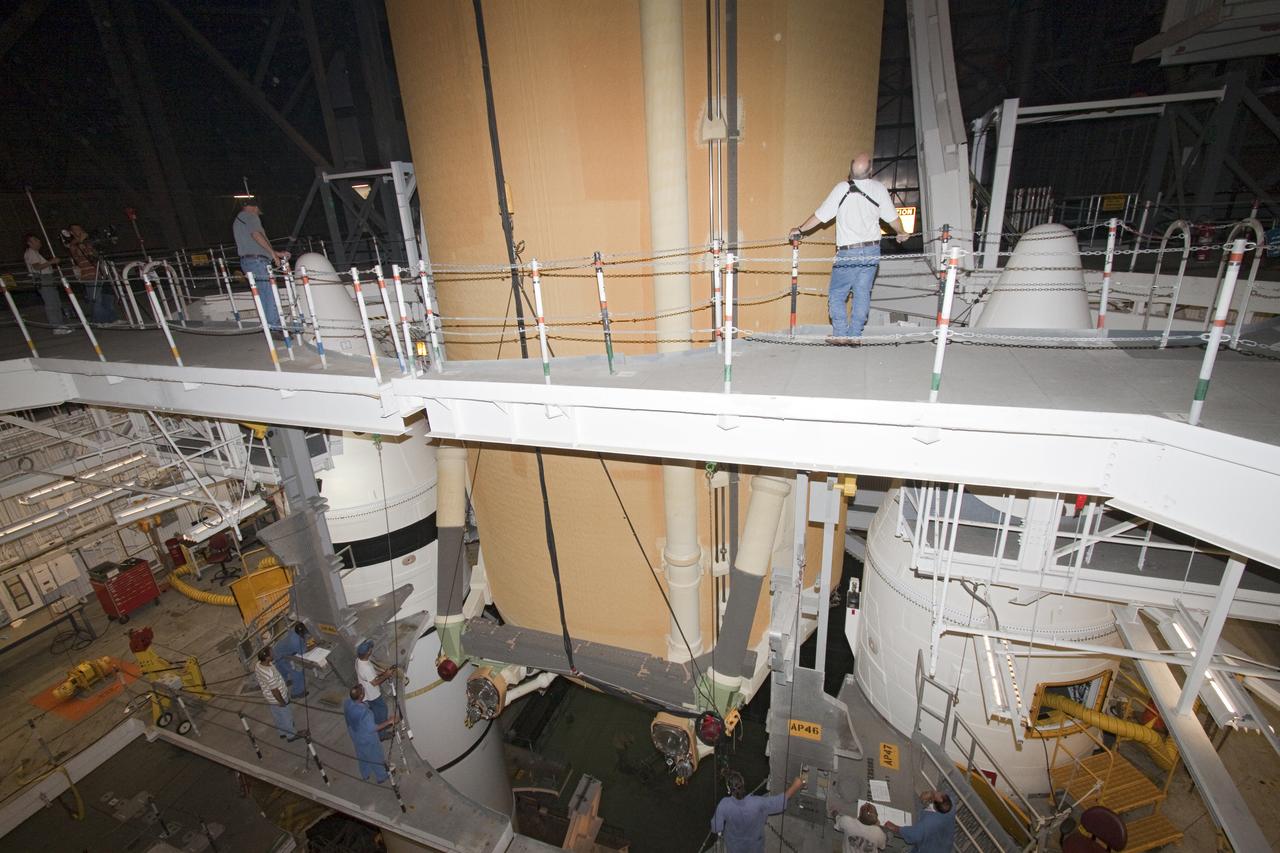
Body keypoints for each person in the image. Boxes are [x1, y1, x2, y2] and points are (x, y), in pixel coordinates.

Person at [789, 153, 912, 340]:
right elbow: (893, 218)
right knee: (862, 293)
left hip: (848, 251)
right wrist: (901, 232)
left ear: (850, 171)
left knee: (838, 293)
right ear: (871, 171)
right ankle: (855, 335)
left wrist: (799, 229)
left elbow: (820, 216)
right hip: (871, 251)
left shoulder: (842, 189)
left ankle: (840, 334)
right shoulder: (879, 189)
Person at [711, 770, 806, 853]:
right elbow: (779, 802)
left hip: (734, 847)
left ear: (729, 789)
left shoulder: (724, 804)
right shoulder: (757, 802)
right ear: (743, 783)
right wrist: (795, 786)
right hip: (755, 845)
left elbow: (716, 828)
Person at [232, 199, 288, 330]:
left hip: (247, 262)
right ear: (255, 207)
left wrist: (277, 253)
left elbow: (254, 245)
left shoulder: (238, 221)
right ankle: (275, 326)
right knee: (269, 293)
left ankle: (268, 325)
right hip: (258, 262)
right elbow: (256, 235)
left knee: (261, 295)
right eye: (258, 211)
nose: (258, 214)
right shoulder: (251, 216)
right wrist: (273, 255)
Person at [344, 684, 397, 783]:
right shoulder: (365, 714)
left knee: (362, 754)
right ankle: (382, 776)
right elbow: (373, 728)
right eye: (363, 691)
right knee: (375, 755)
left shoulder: (347, 702)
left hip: (354, 733)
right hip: (366, 737)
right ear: (361, 696)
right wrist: (389, 721)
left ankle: (365, 773)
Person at [23, 234, 71, 334]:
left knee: (55, 301)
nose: (38, 241)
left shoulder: (35, 253)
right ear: (29, 243)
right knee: (51, 302)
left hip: (47, 277)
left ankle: (60, 324)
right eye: (35, 240)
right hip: (42, 278)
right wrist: (51, 262)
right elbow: (37, 267)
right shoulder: (31, 253)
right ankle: (56, 326)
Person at [254, 647, 305, 742]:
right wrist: (282, 702)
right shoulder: (269, 674)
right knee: (286, 716)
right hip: (278, 697)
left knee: (277, 715)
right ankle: (291, 735)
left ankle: (282, 732)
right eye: (271, 653)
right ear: (267, 658)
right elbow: (275, 691)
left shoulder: (258, 665)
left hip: (269, 698)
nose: (273, 653)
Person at [67, 224, 115, 323]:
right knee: (96, 298)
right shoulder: (73, 244)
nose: (79, 230)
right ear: (71, 232)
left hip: (100, 272)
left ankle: (111, 319)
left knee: (107, 296)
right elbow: (79, 254)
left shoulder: (88, 242)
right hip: (89, 274)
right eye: (76, 229)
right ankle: (100, 321)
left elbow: (96, 255)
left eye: (80, 228)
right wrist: (81, 240)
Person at [884, 788, 956, 853]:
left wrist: (896, 828)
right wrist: (931, 794)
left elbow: (913, 835)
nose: (936, 792)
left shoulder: (927, 823)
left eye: (935, 795)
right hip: (944, 843)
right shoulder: (950, 803)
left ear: (934, 805)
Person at [354, 639, 397, 733]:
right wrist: (386, 675)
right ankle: (382, 732)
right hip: (373, 694)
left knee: (375, 711)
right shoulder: (366, 668)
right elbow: (375, 683)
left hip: (366, 692)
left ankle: (379, 726)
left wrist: (382, 672)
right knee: (382, 710)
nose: (371, 649)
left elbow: (371, 675)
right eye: (370, 649)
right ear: (368, 653)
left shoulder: (359, 660)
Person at [272, 622, 310, 699]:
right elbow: (302, 652)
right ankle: (297, 692)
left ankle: (283, 683)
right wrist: (313, 646)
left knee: (281, 670)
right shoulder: (295, 641)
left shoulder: (294, 630)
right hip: (282, 656)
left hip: (278, 650)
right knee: (297, 671)